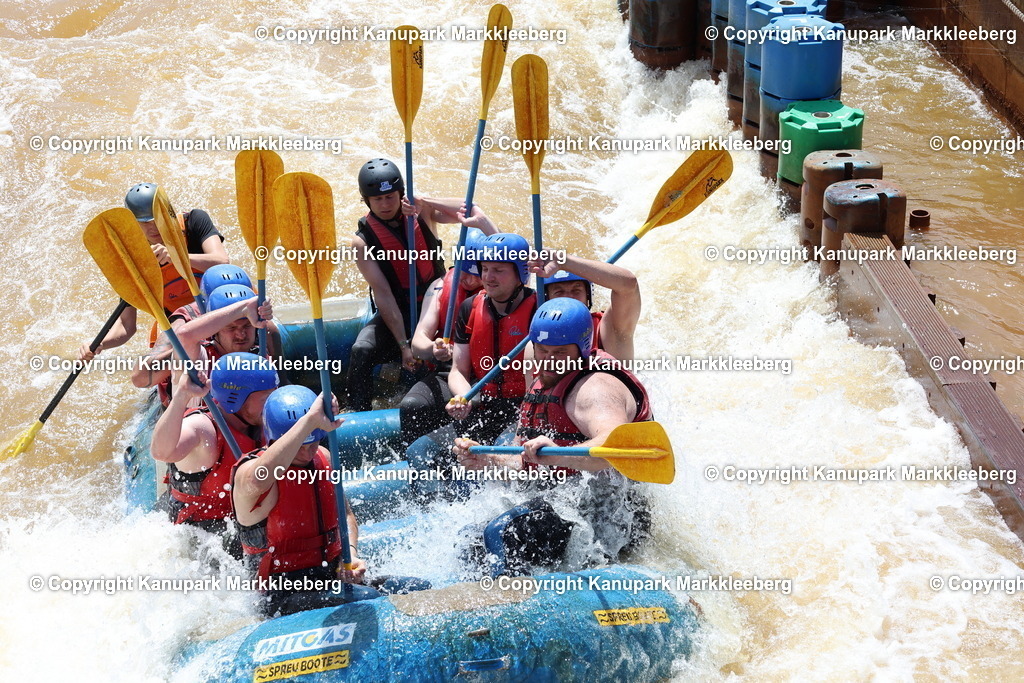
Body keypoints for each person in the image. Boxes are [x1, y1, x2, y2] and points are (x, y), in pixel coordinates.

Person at [452, 298, 652, 576]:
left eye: (559, 352)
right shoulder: (542, 380)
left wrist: (557, 453)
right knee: (471, 541)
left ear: (582, 348)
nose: (548, 360)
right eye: (543, 350)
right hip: (565, 501)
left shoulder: (595, 389)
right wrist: (489, 460)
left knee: (501, 532)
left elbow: (614, 446)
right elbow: (525, 463)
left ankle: (513, 599)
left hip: (611, 515)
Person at [232, 385, 427, 616]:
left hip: (328, 577)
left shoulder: (323, 457)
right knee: (367, 599)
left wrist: (350, 556)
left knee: (417, 587)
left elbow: (346, 514)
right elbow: (257, 479)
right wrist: (309, 421)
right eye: (301, 445)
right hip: (279, 594)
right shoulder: (249, 474)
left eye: (314, 442)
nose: (308, 452)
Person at [346, 158, 467, 411]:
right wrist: (404, 345)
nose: (385, 204)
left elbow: (468, 210)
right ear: (366, 200)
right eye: (378, 199)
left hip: (437, 305)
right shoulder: (362, 242)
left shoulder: (421, 212)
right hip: (398, 312)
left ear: (401, 194)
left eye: (390, 197)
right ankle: (358, 414)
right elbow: (383, 294)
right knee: (361, 350)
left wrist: (424, 201)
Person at [79, 183, 229, 360]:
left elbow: (222, 261)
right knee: (145, 369)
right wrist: (100, 344)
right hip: (181, 322)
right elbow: (126, 325)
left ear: (167, 213)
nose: (153, 228)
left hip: (217, 304)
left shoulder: (194, 221)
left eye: (156, 219)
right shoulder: (134, 260)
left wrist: (177, 257)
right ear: (134, 225)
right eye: (144, 223)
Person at [150, 353, 279, 550]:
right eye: (266, 398)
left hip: (241, 525)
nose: (273, 405)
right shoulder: (204, 428)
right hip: (200, 534)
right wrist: (182, 396)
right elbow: (161, 453)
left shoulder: (264, 422)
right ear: (237, 398)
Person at [399, 225, 493, 444]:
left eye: (475, 274)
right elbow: (418, 342)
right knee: (412, 406)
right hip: (449, 370)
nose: (468, 281)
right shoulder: (439, 288)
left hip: (485, 375)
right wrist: (433, 349)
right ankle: (411, 455)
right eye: (463, 273)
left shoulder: (499, 292)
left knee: (475, 407)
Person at [446, 233, 538, 445]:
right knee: (420, 451)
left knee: (499, 450)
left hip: (525, 408)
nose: (488, 277)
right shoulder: (469, 307)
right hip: (485, 403)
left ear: (520, 274)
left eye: (498, 270)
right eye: (485, 269)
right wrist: (463, 397)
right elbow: (458, 370)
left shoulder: (539, 309)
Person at [132, 265, 256, 398]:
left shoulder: (257, 314)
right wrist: (189, 348)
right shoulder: (185, 321)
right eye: (231, 327)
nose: (241, 334)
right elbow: (139, 378)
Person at [528, 253, 641, 360]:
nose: (569, 298)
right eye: (559, 292)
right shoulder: (535, 345)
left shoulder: (610, 331)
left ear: (588, 296)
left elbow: (629, 286)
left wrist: (562, 261)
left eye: (576, 290)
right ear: (547, 299)